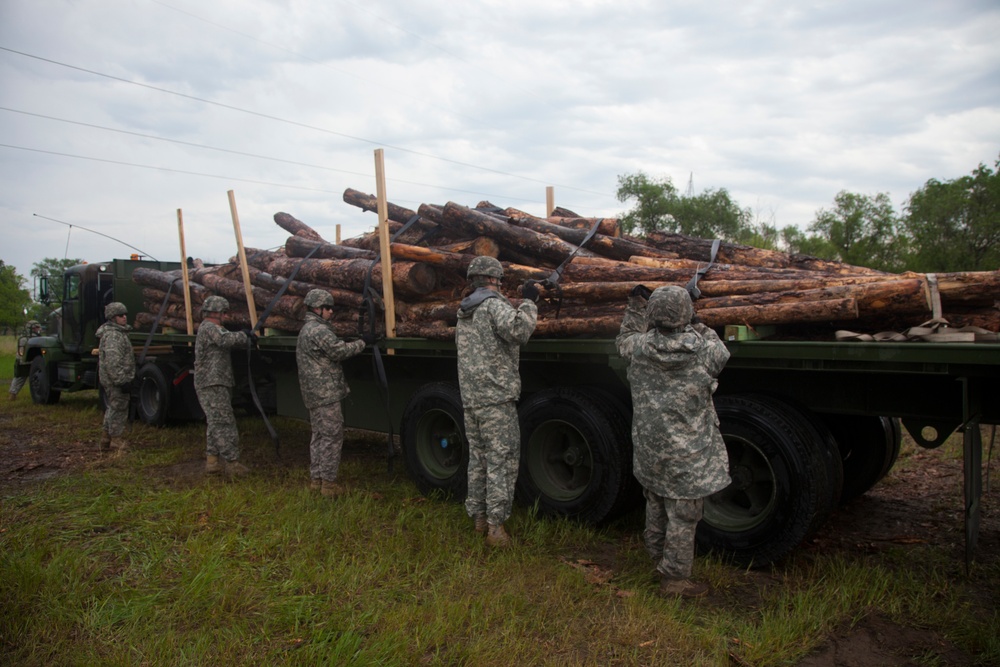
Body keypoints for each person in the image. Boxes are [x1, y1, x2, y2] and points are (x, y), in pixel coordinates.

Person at [615, 285, 731, 599]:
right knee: (684, 513)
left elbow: (624, 336)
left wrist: (636, 305)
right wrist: (694, 318)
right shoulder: (706, 350)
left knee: (655, 499)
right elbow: (720, 348)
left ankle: (656, 557)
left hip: (651, 447)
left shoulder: (637, 347)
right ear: (685, 315)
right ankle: (675, 580)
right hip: (688, 452)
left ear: (653, 314)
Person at [455, 256, 538, 547]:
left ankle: (478, 518)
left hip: (472, 398)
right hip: (496, 399)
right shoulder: (493, 305)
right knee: (501, 460)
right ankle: (496, 528)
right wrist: (529, 302)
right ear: (493, 279)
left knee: (478, 460)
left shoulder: (463, 311)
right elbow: (518, 331)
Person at [296, 289, 366, 497]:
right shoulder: (318, 330)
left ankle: (317, 481)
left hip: (314, 393)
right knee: (332, 436)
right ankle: (328, 484)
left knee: (319, 435)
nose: (331, 312)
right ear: (317, 309)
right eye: (327, 308)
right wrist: (363, 343)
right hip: (325, 393)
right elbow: (339, 351)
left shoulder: (306, 330)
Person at [194, 295, 251, 477]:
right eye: (224, 313)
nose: (226, 316)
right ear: (216, 313)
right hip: (212, 382)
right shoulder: (209, 328)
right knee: (224, 422)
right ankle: (232, 463)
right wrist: (245, 335)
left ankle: (212, 461)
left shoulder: (210, 328)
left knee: (215, 422)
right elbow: (224, 340)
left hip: (216, 382)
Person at [96, 303, 136, 453]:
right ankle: (116, 440)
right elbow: (113, 361)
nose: (124, 317)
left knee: (113, 408)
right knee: (118, 408)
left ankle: (106, 438)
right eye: (120, 315)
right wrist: (122, 381)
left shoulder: (117, 333)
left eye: (125, 314)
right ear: (113, 318)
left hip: (114, 379)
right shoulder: (114, 335)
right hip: (116, 380)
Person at [8, 320, 42, 401]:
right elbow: (22, 353)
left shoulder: (33, 337)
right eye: (36, 327)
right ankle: (12, 395)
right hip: (24, 362)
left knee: (31, 379)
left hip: (32, 362)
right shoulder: (25, 339)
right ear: (32, 328)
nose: (38, 329)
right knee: (19, 378)